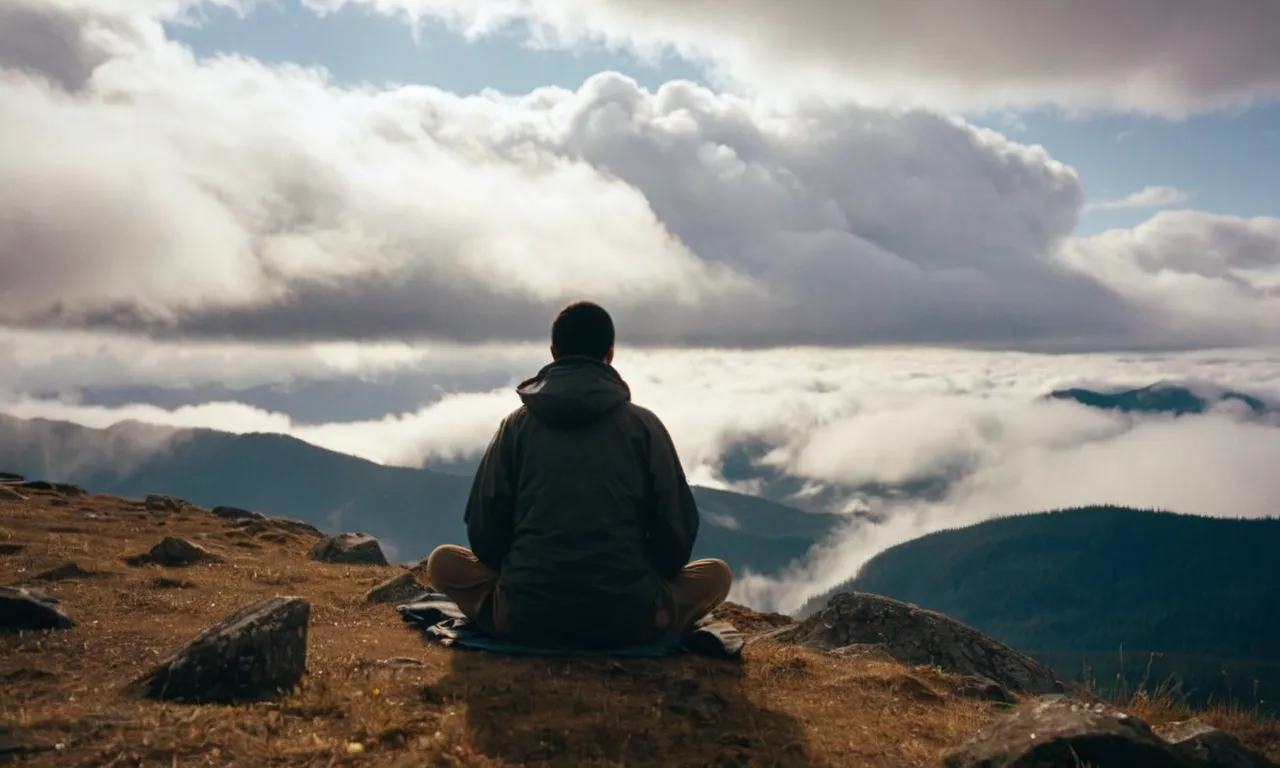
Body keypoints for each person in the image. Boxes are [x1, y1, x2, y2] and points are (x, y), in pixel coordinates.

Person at [425, 301, 732, 648]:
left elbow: (484, 532)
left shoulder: (515, 427)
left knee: (442, 562)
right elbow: (676, 537)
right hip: (630, 618)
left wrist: (524, 575)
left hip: (524, 616)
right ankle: (651, 616)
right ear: (610, 354)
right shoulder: (644, 427)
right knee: (717, 575)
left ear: (554, 352)